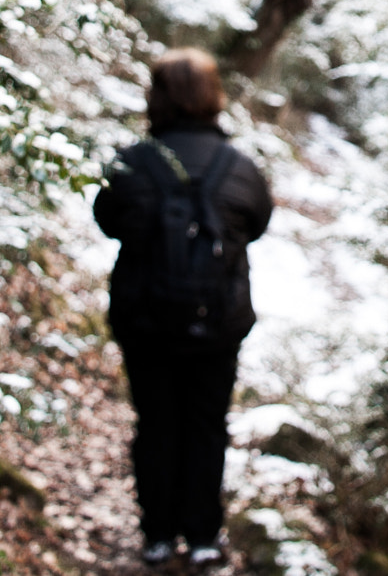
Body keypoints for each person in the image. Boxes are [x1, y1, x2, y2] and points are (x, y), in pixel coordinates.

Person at [94, 47, 273, 568]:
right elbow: (257, 225)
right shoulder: (241, 168)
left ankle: (156, 533)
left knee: (155, 421)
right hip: (218, 321)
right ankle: (201, 535)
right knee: (206, 423)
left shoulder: (131, 163)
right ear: (213, 97)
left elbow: (107, 221)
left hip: (144, 318)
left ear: (158, 97)